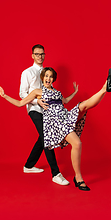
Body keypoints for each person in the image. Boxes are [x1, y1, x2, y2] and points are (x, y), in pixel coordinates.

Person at [0, 67, 111, 191]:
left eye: (50, 76)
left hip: (64, 116)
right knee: (77, 142)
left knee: (83, 107)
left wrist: (75, 92)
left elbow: (65, 101)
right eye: (46, 76)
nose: (48, 78)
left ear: (53, 79)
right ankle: (78, 177)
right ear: (42, 78)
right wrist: (5, 96)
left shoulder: (57, 92)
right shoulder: (37, 92)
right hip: (55, 123)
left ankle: (105, 88)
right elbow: (20, 103)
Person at [19, 44, 78, 186]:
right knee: (47, 136)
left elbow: (55, 94)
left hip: (50, 112)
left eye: (42, 54)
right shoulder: (27, 72)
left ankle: (28, 165)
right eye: (37, 54)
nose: (40, 56)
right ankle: (56, 173)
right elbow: (22, 94)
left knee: (42, 137)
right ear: (32, 55)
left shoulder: (47, 72)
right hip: (35, 109)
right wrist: (36, 101)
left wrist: (74, 93)